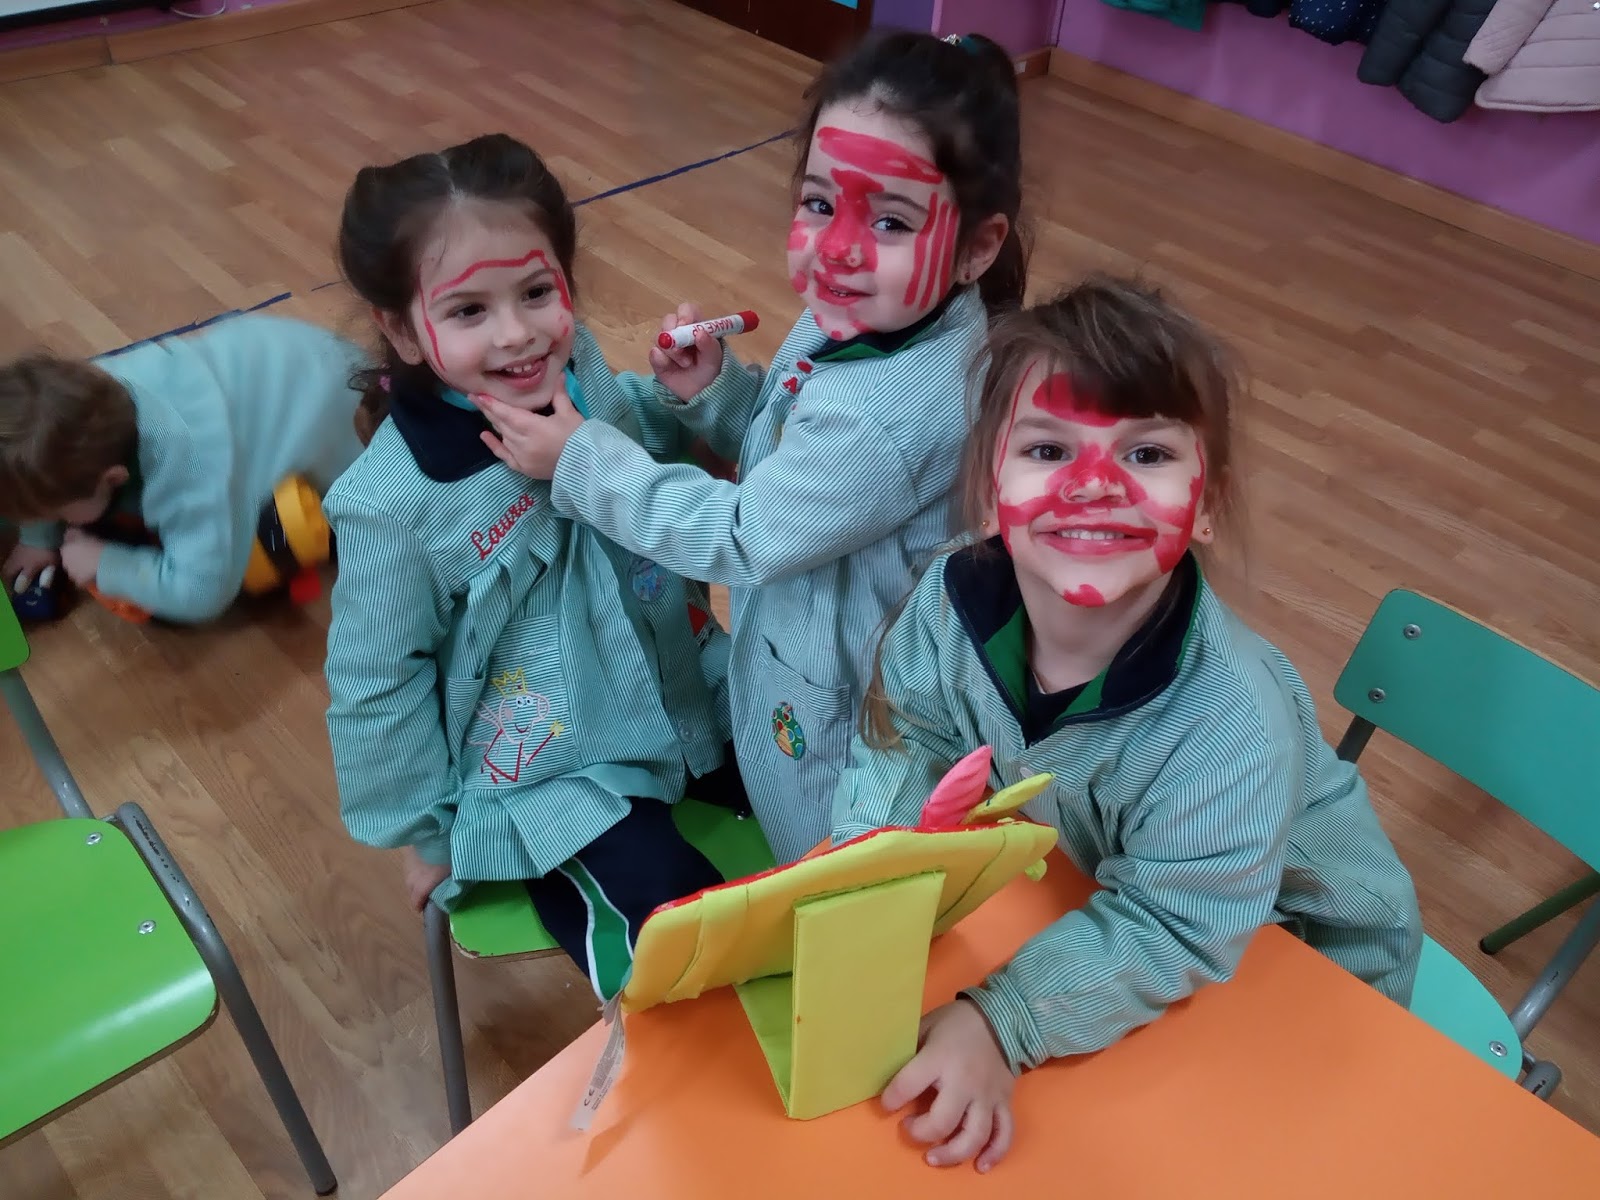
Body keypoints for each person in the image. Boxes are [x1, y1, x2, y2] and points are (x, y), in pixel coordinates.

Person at [833, 276, 1423, 1172]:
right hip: (1112, 898)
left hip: (1302, 957)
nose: (1094, 486)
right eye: (1048, 449)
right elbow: (911, 734)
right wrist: (861, 880)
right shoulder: (951, 603)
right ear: (989, 490)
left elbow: (1176, 925)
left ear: (1208, 503)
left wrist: (1002, 1021)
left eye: (1146, 454)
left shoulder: (1230, 723)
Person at [469, 31, 1029, 863]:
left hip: (841, 731)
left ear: (978, 247)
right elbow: (798, 456)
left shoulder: (894, 409)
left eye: (889, 220)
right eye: (819, 204)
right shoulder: (872, 314)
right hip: (807, 670)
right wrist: (721, 393)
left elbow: (747, 534)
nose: (837, 248)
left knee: (829, 882)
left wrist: (582, 459)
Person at [324, 133, 744, 1000]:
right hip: (558, 770)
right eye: (468, 311)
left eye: (536, 293)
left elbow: (629, 435)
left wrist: (685, 403)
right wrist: (427, 832)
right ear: (401, 329)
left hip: (684, 682)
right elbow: (375, 683)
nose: (518, 334)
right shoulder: (390, 504)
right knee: (680, 928)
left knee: (826, 765)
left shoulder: (578, 363)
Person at [0, 316, 364, 622]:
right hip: (290, 358)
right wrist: (36, 539)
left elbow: (202, 592)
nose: (53, 521)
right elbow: (36, 461)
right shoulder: (85, 392)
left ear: (113, 477)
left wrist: (108, 564)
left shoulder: (189, 472)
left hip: (358, 436)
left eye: (56, 513)